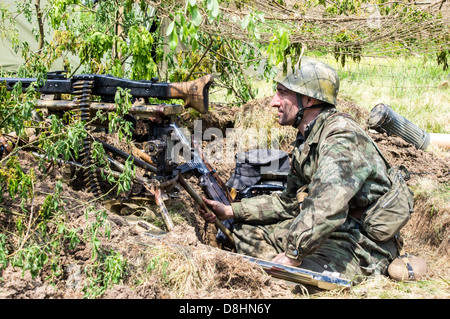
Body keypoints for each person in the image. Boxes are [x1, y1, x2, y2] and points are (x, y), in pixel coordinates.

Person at [199, 57, 400, 282]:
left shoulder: (342, 137)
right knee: (245, 232)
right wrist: (231, 211)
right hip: (329, 231)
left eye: (282, 93)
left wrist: (293, 253)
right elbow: (289, 203)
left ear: (309, 99)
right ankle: (274, 275)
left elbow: (327, 205)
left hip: (359, 242)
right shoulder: (308, 138)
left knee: (298, 281)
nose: (274, 102)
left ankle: (280, 279)